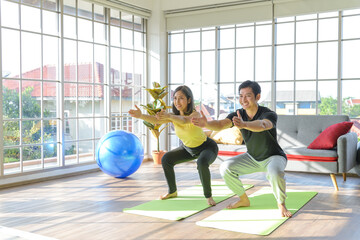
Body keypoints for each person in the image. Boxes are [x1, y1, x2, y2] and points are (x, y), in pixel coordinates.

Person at [191, 80, 292, 217]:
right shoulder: (237, 114)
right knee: (225, 167)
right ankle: (243, 199)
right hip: (252, 157)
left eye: (248, 95)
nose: (243, 99)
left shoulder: (269, 113)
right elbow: (221, 124)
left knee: (274, 172)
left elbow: (263, 125)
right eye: (241, 96)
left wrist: (244, 124)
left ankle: (281, 204)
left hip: (274, 157)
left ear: (257, 97)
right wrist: (207, 124)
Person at [128, 85, 219, 206]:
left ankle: (208, 196)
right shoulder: (172, 116)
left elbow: (185, 120)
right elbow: (156, 120)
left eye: (181, 98)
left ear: (189, 100)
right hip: (188, 149)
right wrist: (140, 116)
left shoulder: (195, 114)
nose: (177, 101)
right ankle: (172, 191)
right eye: (175, 98)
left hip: (207, 147)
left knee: (201, 163)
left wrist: (170, 117)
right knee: (166, 159)